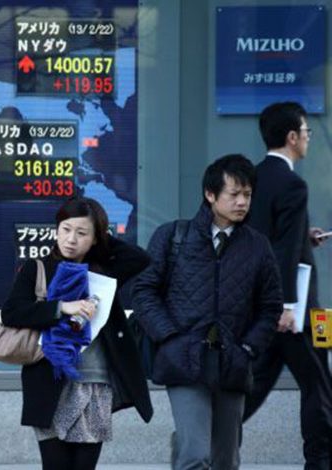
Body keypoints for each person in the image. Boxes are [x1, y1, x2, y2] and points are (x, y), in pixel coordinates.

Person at [133, 154, 282, 470]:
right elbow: (143, 291)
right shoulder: (173, 236)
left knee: (226, 460)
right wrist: (169, 337)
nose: (242, 202)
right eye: (234, 194)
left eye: (247, 195)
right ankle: (185, 449)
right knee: (195, 456)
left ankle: (185, 447)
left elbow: (270, 307)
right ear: (210, 194)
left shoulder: (258, 246)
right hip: (183, 358)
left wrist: (248, 348)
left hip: (233, 362)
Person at [0, 196, 153, 470]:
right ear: (56, 230)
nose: (71, 239)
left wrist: (100, 234)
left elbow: (140, 259)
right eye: (66, 229)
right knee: (55, 464)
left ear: (95, 239)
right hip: (50, 380)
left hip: (95, 382)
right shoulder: (38, 267)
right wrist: (60, 307)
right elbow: (12, 312)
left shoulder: (104, 270)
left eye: (81, 233)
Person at [244, 101, 332, 469]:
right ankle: (321, 460)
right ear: (292, 137)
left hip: (260, 305)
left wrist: (304, 238)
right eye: (306, 132)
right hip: (296, 311)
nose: (309, 138)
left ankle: (202, 436)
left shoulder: (251, 179)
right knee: (320, 386)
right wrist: (286, 306)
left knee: (255, 383)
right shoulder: (294, 184)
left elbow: (268, 236)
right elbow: (283, 248)